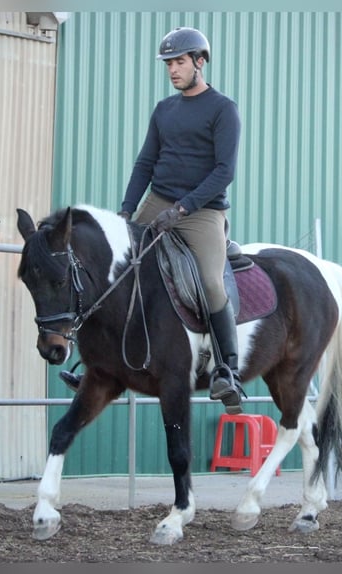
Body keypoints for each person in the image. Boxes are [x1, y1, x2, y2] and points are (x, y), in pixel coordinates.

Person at [59, 27, 244, 414]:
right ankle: (97, 364)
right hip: (157, 201)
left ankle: (229, 368)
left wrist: (183, 209)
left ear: (200, 62)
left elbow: (224, 171)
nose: (173, 70)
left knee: (211, 282)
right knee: (118, 270)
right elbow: (145, 163)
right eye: (169, 64)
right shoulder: (164, 110)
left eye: (179, 62)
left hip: (202, 210)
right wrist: (126, 211)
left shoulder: (223, 108)